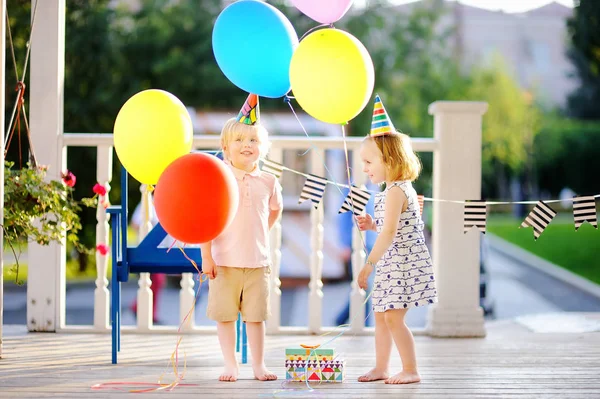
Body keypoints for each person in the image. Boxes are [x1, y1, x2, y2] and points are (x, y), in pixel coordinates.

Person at [200, 93, 282, 382]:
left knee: (255, 317)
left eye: (253, 140)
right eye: (240, 140)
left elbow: (274, 211)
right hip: (224, 262)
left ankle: (258, 365)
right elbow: (207, 221)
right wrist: (206, 256)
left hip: (257, 262)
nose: (247, 145)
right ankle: (230, 364)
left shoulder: (269, 181)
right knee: (225, 316)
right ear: (225, 147)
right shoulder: (220, 180)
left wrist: (259, 235)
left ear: (263, 147)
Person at [356, 95, 437, 385]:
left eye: (368, 162)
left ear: (388, 160)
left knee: (393, 318)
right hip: (394, 261)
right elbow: (393, 227)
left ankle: (411, 369)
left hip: (402, 265)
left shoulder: (395, 192)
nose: (365, 168)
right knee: (380, 315)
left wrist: (368, 265)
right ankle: (381, 367)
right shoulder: (396, 189)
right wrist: (372, 224)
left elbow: (392, 233)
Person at [335, 183, 377, 327]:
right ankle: (362, 323)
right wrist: (345, 244)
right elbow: (343, 217)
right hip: (356, 243)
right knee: (363, 284)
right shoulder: (353, 186)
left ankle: (342, 319)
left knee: (364, 284)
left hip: (372, 242)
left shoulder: (375, 186)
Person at [130, 197, 166, 324]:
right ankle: (140, 309)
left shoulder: (163, 203)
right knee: (154, 281)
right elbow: (134, 224)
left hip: (158, 251)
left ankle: (145, 311)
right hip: (147, 249)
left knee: (157, 281)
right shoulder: (146, 202)